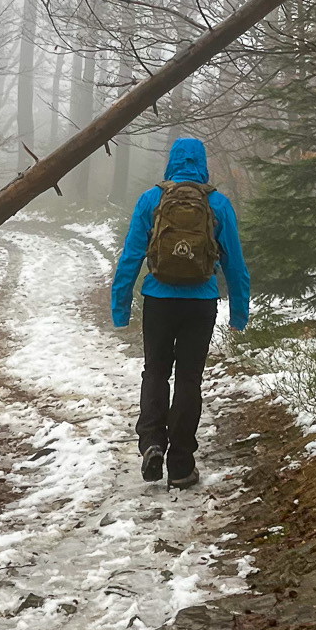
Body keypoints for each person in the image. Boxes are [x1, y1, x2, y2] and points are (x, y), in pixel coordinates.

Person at [111, 135, 251, 488]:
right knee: (189, 379)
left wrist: (120, 308)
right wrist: (239, 313)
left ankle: (152, 443)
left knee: (155, 372)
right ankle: (182, 464)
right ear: (202, 163)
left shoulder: (151, 200)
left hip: (158, 300)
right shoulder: (217, 204)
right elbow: (235, 264)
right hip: (200, 302)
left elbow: (130, 257)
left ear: (171, 161)